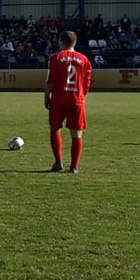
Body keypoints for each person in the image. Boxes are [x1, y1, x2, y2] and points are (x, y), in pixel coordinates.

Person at [44, 30, 92, 173]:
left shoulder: (55, 58)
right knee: (77, 134)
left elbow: (50, 81)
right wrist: (82, 97)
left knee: (55, 129)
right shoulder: (84, 59)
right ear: (74, 42)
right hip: (76, 100)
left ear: (62, 42)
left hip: (58, 99)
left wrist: (46, 97)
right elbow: (87, 82)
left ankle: (58, 162)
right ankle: (74, 166)